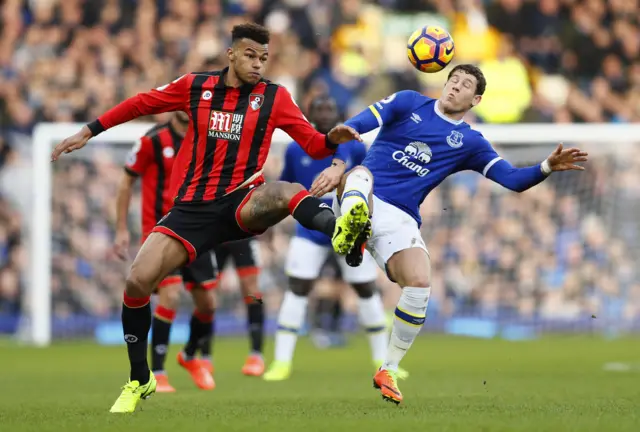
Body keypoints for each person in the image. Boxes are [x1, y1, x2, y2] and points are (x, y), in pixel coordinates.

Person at [51, 23, 361, 414]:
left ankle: (342, 233)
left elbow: (314, 144)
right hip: (190, 211)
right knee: (136, 281)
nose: (258, 65)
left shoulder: (274, 97)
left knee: (284, 190)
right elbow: (143, 103)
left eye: (264, 58)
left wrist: (333, 141)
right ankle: (139, 378)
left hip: (242, 200)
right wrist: (90, 130)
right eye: (250, 55)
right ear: (230, 54)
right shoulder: (197, 86)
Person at [311, 64, 589, 405]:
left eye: (465, 84)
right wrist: (347, 129)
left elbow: (513, 180)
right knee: (360, 173)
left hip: (399, 218)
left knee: (420, 284)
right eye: (453, 80)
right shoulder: (409, 101)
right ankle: (353, 228)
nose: (455, 86)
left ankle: (389, 368)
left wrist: (546, 167)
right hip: (362, 193)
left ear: (476, 99)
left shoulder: (470, 142)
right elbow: (362, 122)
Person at [263, 95, 405, 382]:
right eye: (320, 108)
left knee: (365, 289)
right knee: (298, 288)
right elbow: (286, 187)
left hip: (349, 226)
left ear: (338, 114)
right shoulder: (295, 150)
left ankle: (384, 362)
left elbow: (369, 182)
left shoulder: (353, 145)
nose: (326, 112)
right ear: (311, 114)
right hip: (310, 230)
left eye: (330, 108)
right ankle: (281, 362)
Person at [114, 112, 216, 392]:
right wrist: (121, 228)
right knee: (170, 295)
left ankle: (189, 355)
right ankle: (157, 372)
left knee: (208, 303)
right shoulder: (152, 140)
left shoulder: (205, 138)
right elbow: (126, 182)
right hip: (162, 232)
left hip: (197, 230)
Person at [211, 239, 266, 376]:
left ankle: (256, 355)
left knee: (252, 291)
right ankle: (205, 357)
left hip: (244, 233)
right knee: (209, 292)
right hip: (216, 234)